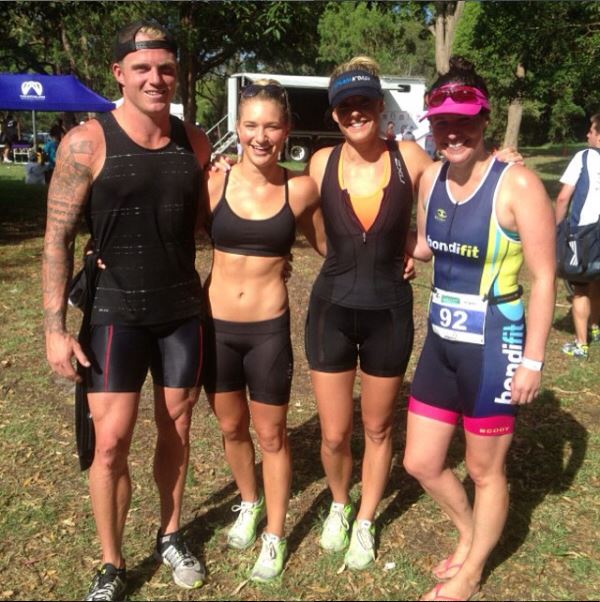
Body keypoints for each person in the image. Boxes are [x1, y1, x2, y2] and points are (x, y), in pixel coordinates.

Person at [42, 20, 211, 601]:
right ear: (119, 73)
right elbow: (56, 239)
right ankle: (112, 563)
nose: (155, 79)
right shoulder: (85, 142)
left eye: (166, 69)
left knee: (177, 427)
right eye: (142, 68)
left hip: (181, 310)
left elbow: (203, 224)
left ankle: (170, 533)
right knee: (111, 442)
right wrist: (54, 329)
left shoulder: (195, 143)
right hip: (113, 312)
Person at [403, 57, 555, 601]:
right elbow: (426, 246)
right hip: (441, 341)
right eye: (442, 122)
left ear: (485, 119)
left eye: (464, 121)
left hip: (495, 344)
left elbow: (544, 277)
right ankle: (468, 532)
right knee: (420, 461)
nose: (453, 132)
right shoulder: (430, 178)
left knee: (484, 469)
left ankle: (470, 573)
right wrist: (392, 249)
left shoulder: (517, 184)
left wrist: (532, 361)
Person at [305, 56, 433, 570]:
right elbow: (305, 222)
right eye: (345, 106)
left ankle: (365, 518)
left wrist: (412, 244)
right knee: (334, 433)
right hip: (330, 312)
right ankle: (340, 503)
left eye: (364, 102)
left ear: (381, 106)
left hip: (389, 314)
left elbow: (458, 188)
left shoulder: (410, 157)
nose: (355, 112)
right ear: (335, 114)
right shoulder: (321, 163)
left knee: (378, 429)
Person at [203, 79, 325, 582]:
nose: (260, 136)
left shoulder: (300, 189)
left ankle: (275, 534)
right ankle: (249, 501)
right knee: (231, 428)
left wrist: (397, 253)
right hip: (215, 328)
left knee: (272, 434)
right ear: (237, 128)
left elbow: (331, 246)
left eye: (271, 126)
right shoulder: (213, 182)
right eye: (251, 125)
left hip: (267, 332)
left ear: (286, 129)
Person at [555, 113, 600, 359]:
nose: (587, 134)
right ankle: (595, 326)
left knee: (580, 287)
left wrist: (557, 227)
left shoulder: (583, 157)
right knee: (597, 280)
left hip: (585, 231)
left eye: (591, 130)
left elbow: (563, 197)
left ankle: (581, 344)